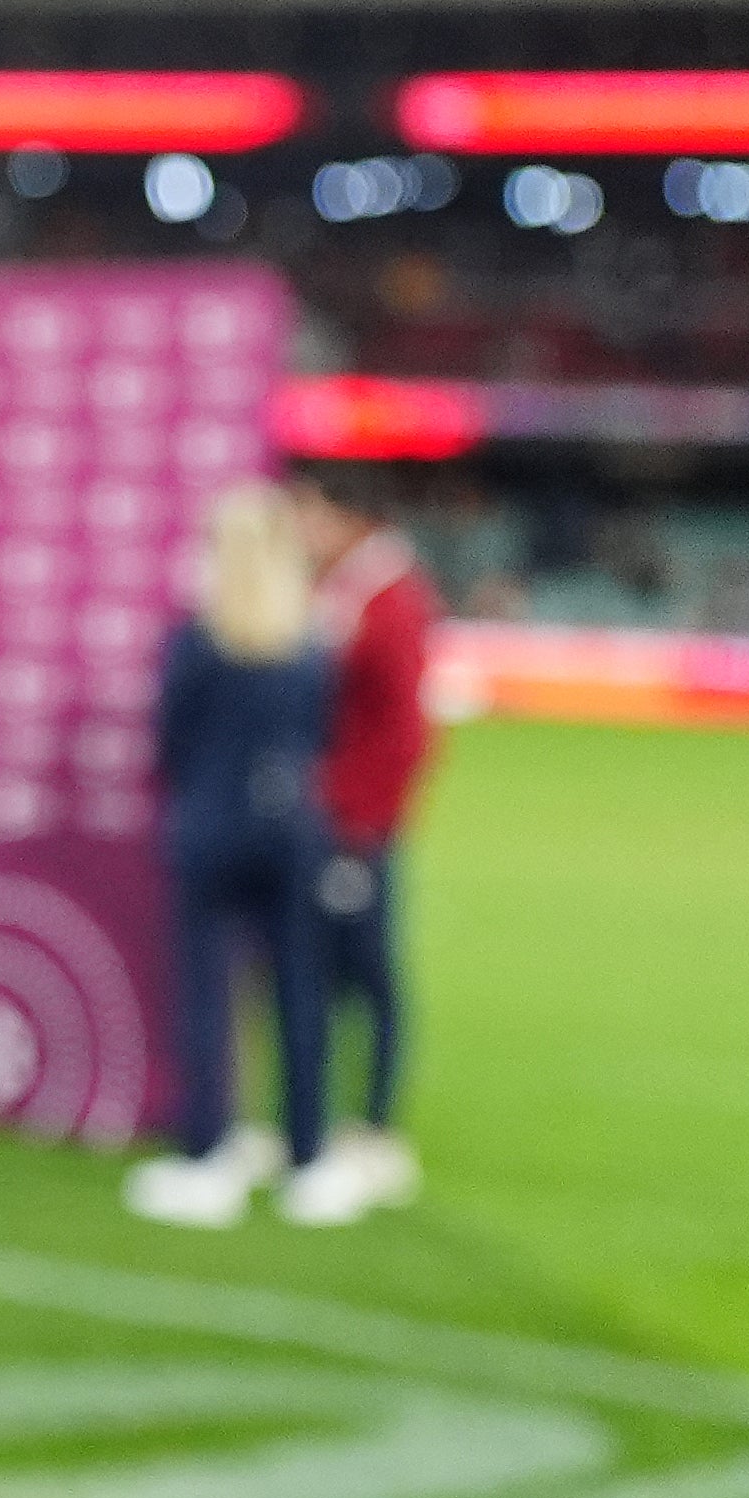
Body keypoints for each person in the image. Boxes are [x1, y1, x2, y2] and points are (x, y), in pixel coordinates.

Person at [127, 480, 338, 1228]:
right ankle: (307, 1156)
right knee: (298, 995)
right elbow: (323, 738)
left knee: (207, 996)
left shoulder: (199, 641)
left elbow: (169, 739)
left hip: (212, 828)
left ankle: (209, 1151)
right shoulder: (310, 642)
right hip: (289, 833)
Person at [283, 474, 439, 1225]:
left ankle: (373, 1133)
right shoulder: (354, 590)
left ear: (345, 517)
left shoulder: (390, 600)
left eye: (310, 513)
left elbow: (407, 734)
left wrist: (362, 825)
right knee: (325, 974)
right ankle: (330, 1124)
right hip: (336, 818)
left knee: (367, 976)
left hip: (357, 827)